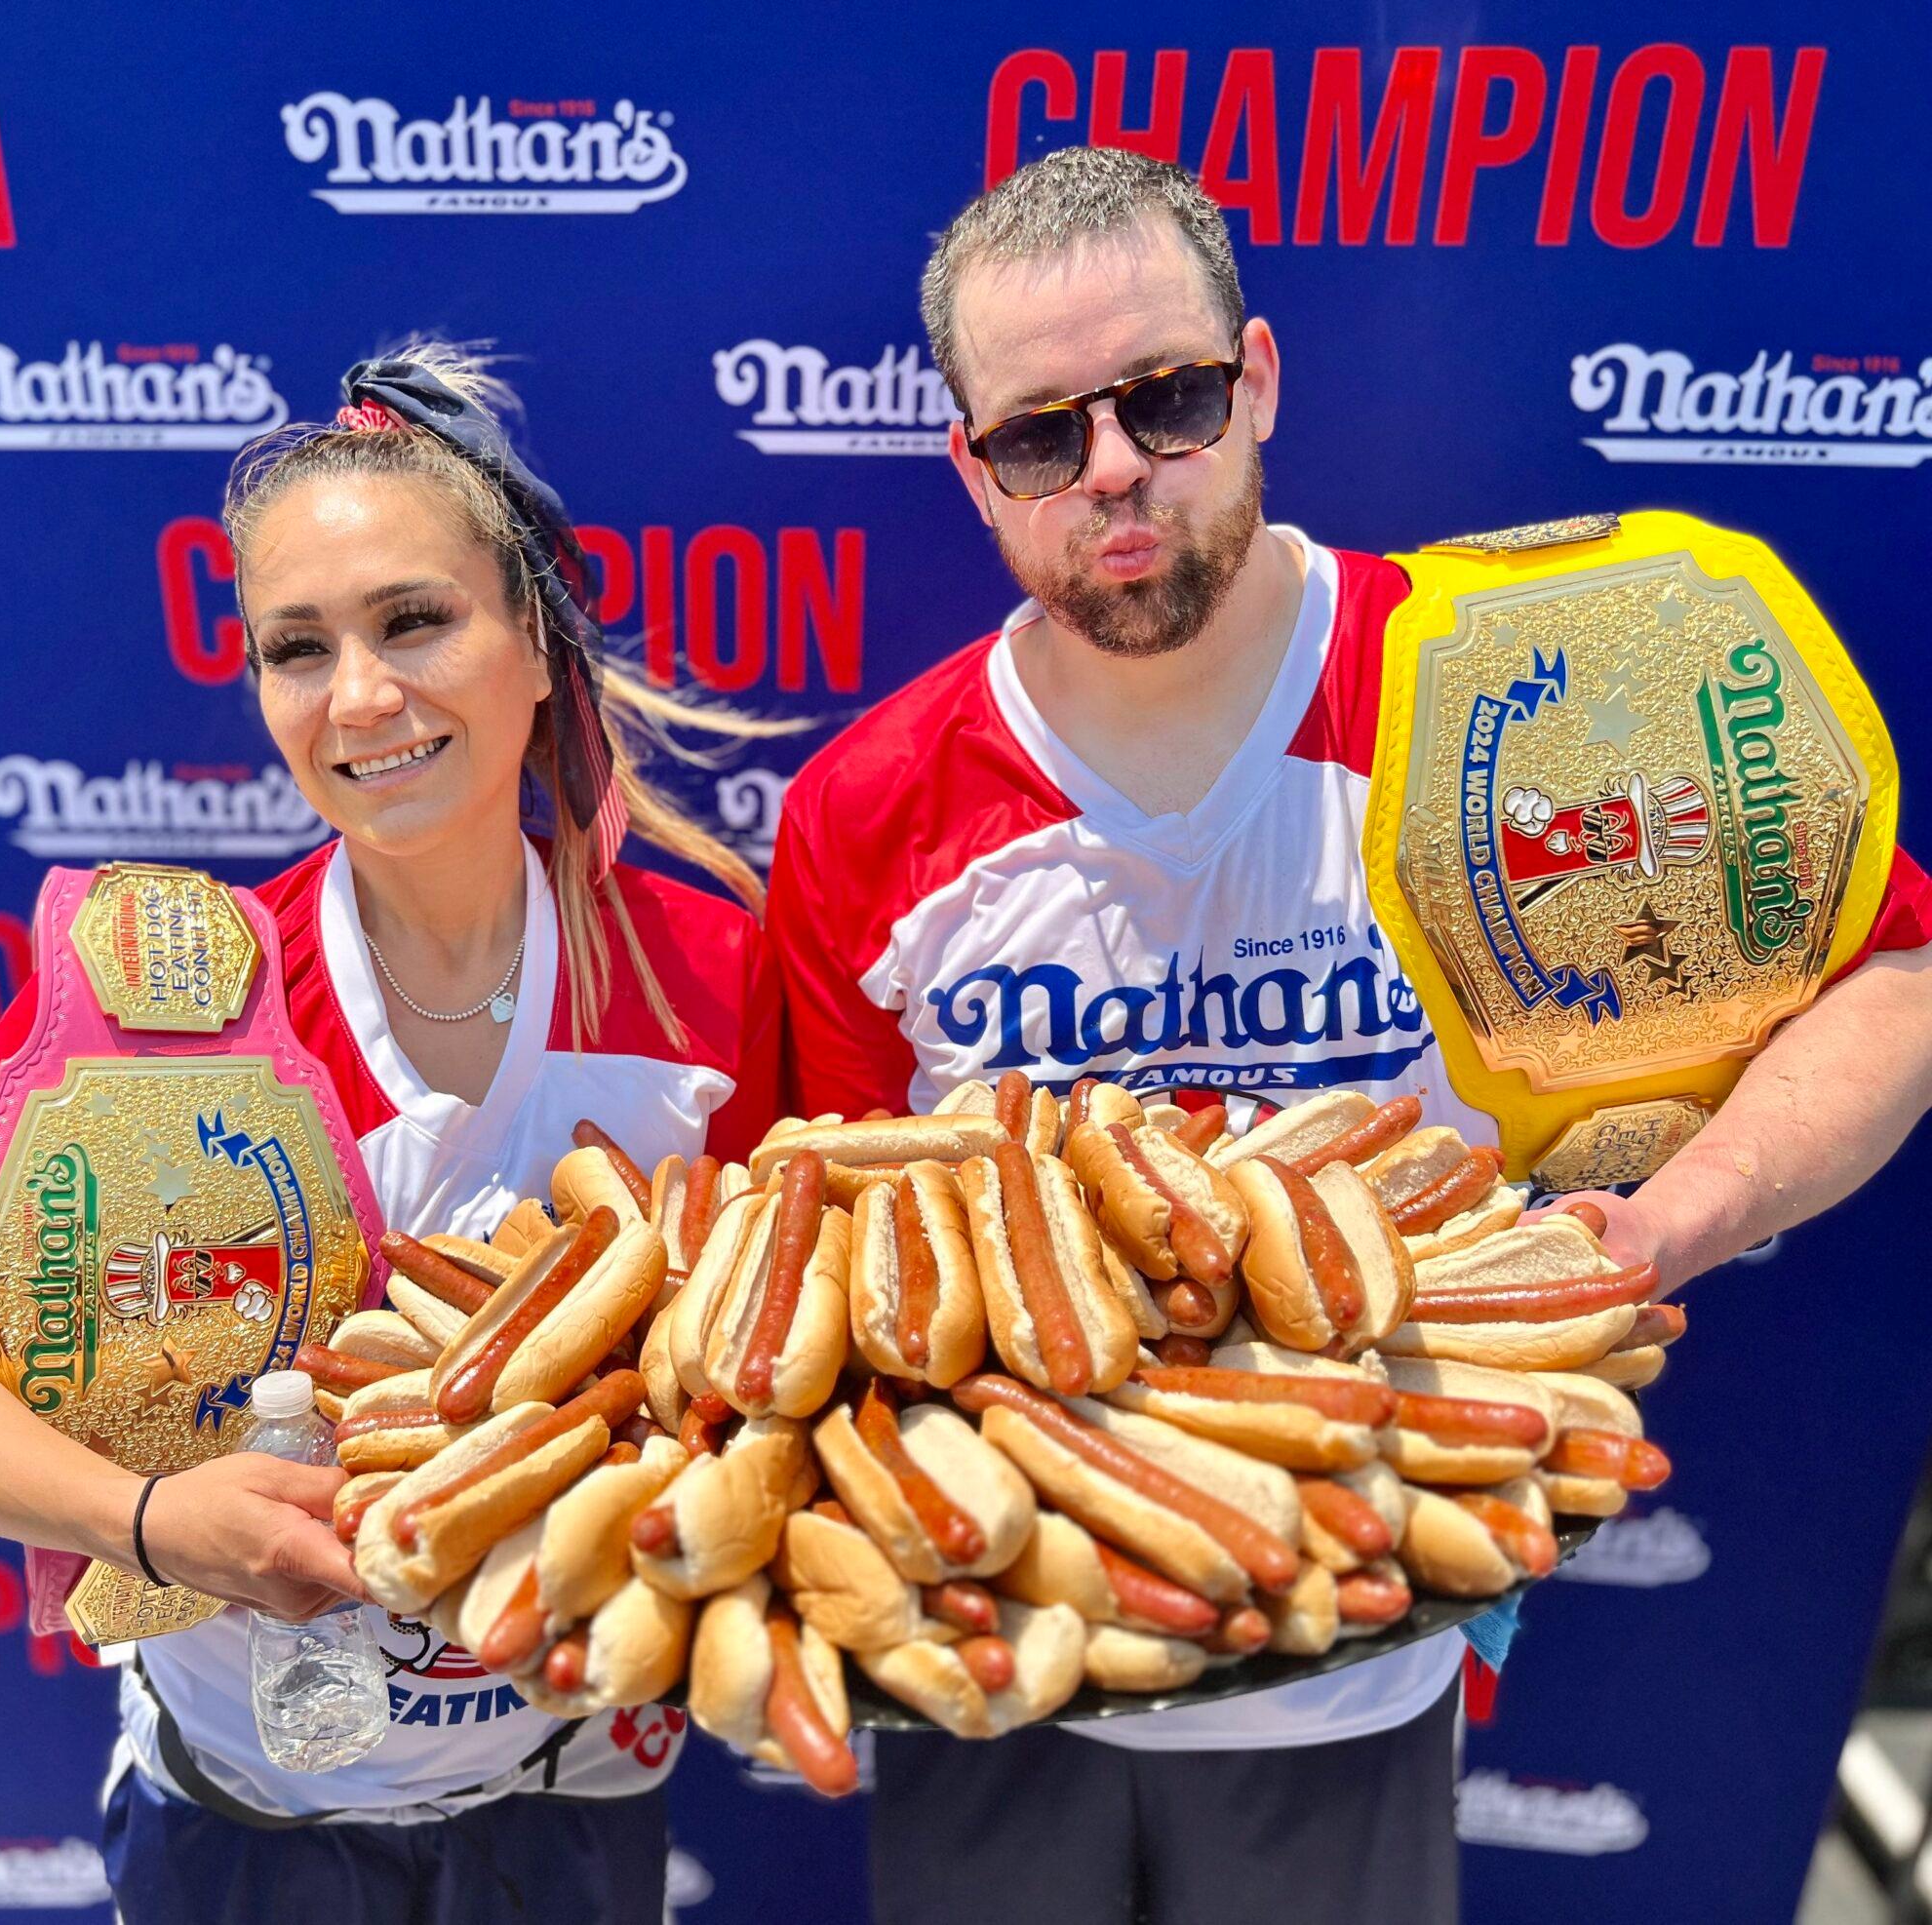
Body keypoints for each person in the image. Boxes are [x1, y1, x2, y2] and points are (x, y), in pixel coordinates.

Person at [764, 146, 1932, 1925]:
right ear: (977, 475)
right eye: (1041, 437)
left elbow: (1895, 973)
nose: (1118, 471)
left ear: (1259, 381)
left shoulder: (1507, 691)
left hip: (1360, 1650)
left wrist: (1669, 1223)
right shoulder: (867, 811)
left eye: (1167, 397)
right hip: (989, 1651)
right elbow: (823, 1240)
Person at [0, 341, 785, 1925]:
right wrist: (151, 1518)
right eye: (298, 647)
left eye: (416, 620)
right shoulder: (171, 1012)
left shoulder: (713, 978)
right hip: (247, 1832)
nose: (363, 697)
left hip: (569, 1817)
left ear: (536, 638)